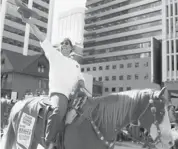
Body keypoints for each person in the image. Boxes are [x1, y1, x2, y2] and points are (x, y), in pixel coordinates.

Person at [20, 16, 86, 149]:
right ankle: (49, 142)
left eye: (66, 44)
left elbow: (81, 79)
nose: (63, 45)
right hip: (59, 94)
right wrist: (31, 24)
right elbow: (41, 37)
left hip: (74, 96)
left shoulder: (76, 65)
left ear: (71, 48)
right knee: (57, 112)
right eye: (62, 43)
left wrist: (81, 82)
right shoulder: (54, 55)